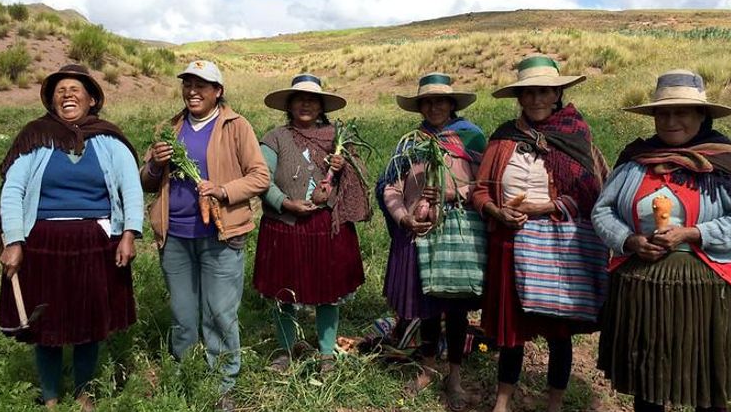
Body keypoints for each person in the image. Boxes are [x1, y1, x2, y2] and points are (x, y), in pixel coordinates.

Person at [592, 70, 731, 412]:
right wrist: (629, 240)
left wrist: (693, 233)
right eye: (663, 113)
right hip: (643, 287)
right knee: (649, 380)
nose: (671, 120)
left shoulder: (725, 162)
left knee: (708, 378)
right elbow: (602, 211)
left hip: (708, 290)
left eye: (681, 112)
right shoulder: (634, 163)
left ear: (701, 115)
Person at [0, 64, 142, 411]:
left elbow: (130, 187)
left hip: (95, 242)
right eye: (60, 91)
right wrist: (14, 240)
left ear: (92, 100)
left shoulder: (109, 140)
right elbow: (12, 190)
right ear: (51, 101)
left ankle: (84, 393)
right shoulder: (35, 138)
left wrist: (129, 234)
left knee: (89, 323)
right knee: (46, 325)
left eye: (76, 89)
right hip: (43, 243)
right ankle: (50, 397)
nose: (68, 94)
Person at [472, 55, 609, 412]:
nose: (535, 99)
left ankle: (555, 404)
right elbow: (480, 190)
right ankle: (502, 402)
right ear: (519, 97)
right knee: (512, 331)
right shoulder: (503, 139)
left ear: (556, 94)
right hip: (509, 242)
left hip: (558, 247)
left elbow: (590, 195)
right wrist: (497, 211)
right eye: (528, 92)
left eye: (543, 91)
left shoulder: (576, 137)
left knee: (558, 332)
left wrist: (544, 208)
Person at [140, 60, 269, 411]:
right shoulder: (169, 128)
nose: (193, 91)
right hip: (176, 236)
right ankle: (185, 374)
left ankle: (223, 383)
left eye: (202, 85)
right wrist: (154, 164)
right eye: (188, 84)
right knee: (183, 314)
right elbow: (146, 181)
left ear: (218, 91)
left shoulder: (236, 126)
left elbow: (260, 177)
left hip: (221, 234)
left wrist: (224, 190)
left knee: (220, 313)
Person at [378, 73, 487, 411]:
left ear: (452, 104)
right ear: (420, 106)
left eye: (441, 100)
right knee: (426, 310)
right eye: (428, 101)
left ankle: (454, 376)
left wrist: (454, 192)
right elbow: (389, 187)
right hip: (416, 234)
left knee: (454, 310)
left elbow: (486, 184)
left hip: (455, 234)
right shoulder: (410, 142)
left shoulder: (472, 138)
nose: (435, 106)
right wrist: (403, 217)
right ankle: (427, 368)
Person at [253, 73, 372, 373]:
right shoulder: (274, 138)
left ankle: (326, 353)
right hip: (285, 225)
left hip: (326, 226)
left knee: (328, 292)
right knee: (284, 293)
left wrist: (343, 167)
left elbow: (358, 181)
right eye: (299, 99)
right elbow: (261, 179)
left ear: (321, 107)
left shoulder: (337, 138)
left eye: (312, 100)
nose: (306, 104)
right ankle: (286, 349)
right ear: (289, 105)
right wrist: (286, 202)